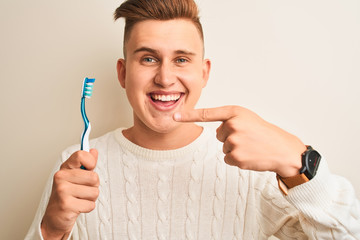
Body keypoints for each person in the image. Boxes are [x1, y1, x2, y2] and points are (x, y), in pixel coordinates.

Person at [26, 0, 360, 239]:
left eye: (181, 59)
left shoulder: (254, 170)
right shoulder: (77, 169)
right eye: (148, 58)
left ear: (204, 73)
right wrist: (51, 230)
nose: (165, 77)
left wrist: (297, 159)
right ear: (123, 73)